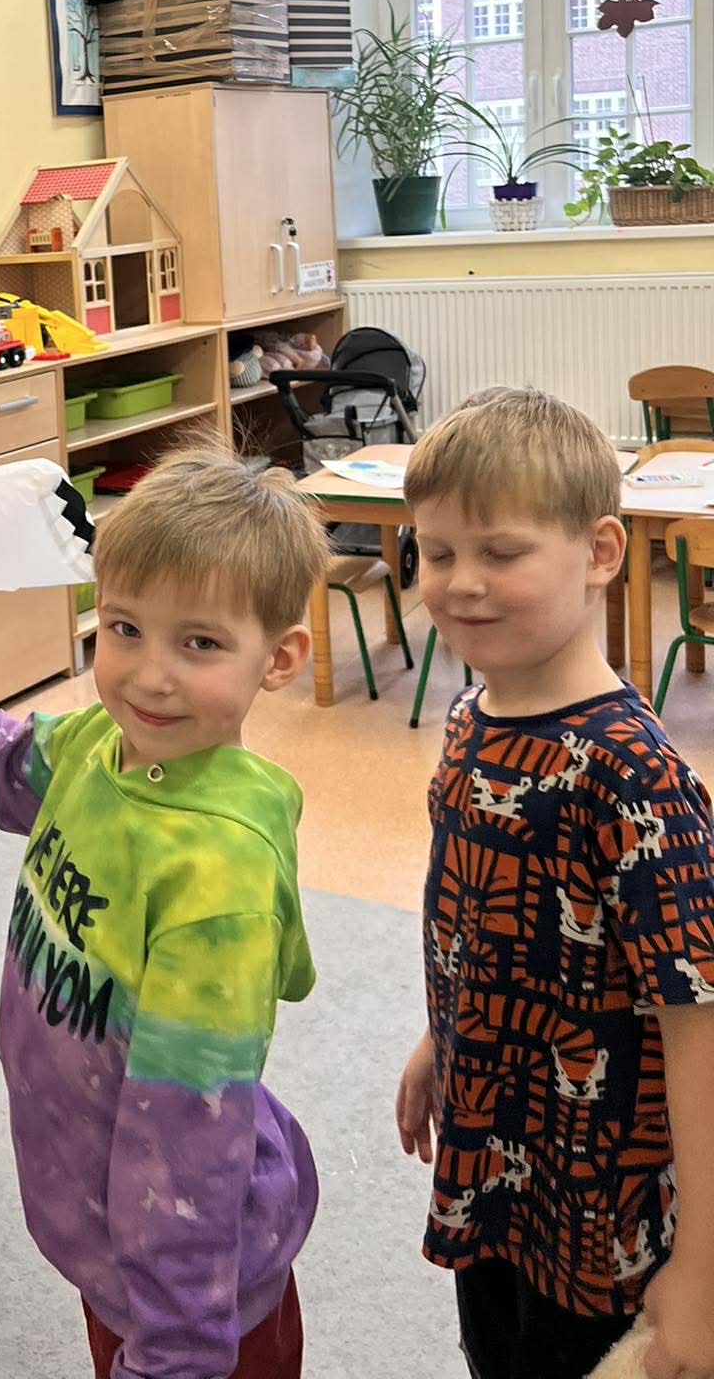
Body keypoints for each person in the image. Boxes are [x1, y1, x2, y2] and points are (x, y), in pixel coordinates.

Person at [0, 440, 327, 1378]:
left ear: (280, 658)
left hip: (193, 1303)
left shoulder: (217, 885)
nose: (148, 676)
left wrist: (175, 1348)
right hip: (103, 1231)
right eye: (124, 628)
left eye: (199, 643)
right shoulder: (100, 741)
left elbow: (188, 1142)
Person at [394, 387, 714, 1379]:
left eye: (501, 552)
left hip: (603, 1209)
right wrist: (439, 1037)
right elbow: (476, 917)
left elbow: (699, 1023)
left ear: (601, 552)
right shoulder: (471, 715)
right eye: (437, 552)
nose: (461, 583)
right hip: (496, 1158)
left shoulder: (634, 774)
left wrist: (703, 1271)